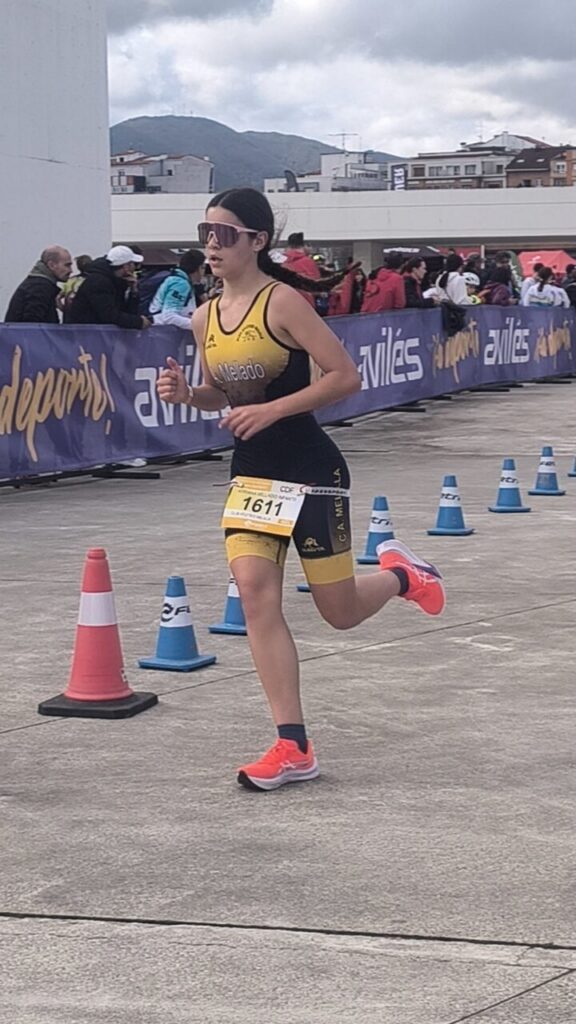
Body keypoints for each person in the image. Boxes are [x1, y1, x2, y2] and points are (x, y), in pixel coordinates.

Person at [156, 187, 446, 792]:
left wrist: (274, 409)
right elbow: (225, 395)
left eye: (225, 234)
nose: (211, 244)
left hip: (311, 470)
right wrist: (190, 396)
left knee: (337, 613)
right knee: (256, 594)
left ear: (257, 241)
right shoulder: (205, 315)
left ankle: (402, 575)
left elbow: (344, 376)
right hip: (252, 474)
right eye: (205, 232)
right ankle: (293, 746)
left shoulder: (282, 302)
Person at [65, 245, 151, 329]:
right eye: (134, 264)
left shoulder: (115, 281)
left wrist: (133, 292)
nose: (135, 268)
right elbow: (109, 315)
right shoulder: (99, 282)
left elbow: (124, 312)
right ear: (126, 267)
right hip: (86, 335)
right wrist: (138, 322)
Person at [4, 245, 72, 323]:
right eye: (67, 265)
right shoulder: (41, 287)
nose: (71, 270)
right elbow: (33, 325)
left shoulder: (36, 284)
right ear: (52, 265)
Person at [148, 249, 206, 328]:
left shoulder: (179, 280)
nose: (203, 272)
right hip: (164, 332)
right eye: (203, 268)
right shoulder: (181, 284)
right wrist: (199, 326)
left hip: (162, 331)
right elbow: (169, 316)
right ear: (198, 268)